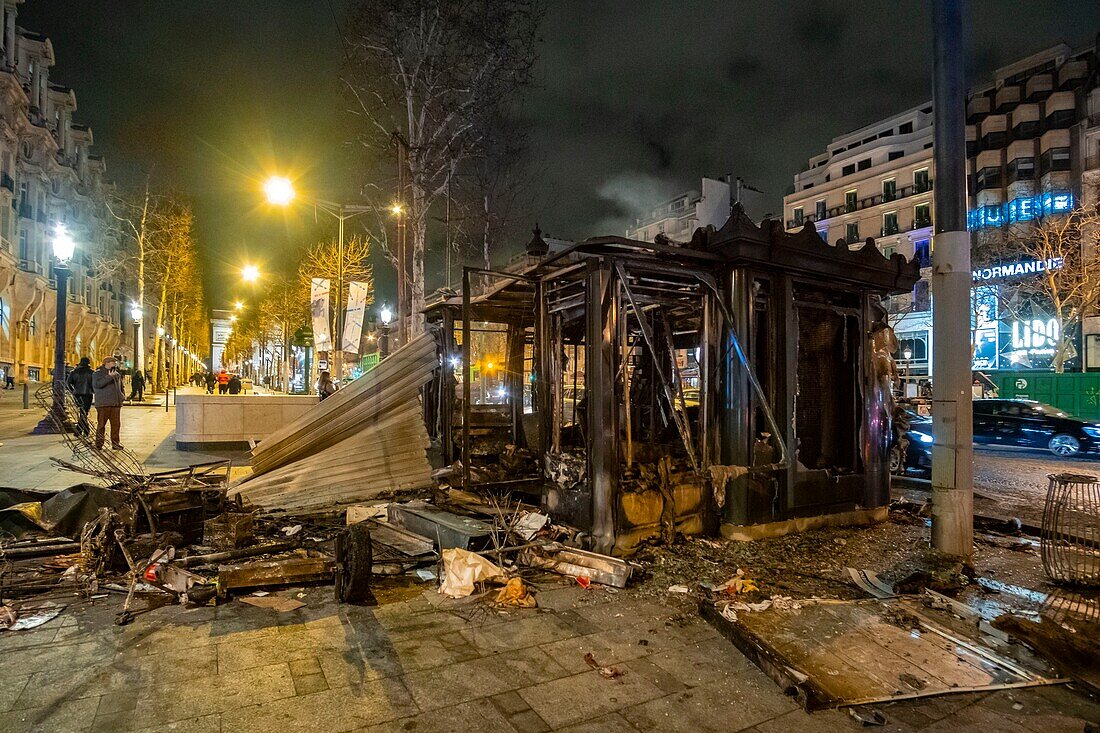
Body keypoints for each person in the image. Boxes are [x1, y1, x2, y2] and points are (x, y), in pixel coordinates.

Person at [92, 356, 125, 450]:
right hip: (103, 404)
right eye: (113, 362)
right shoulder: (97, 374)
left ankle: (115, 443)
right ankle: (99, 444)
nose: (114, 364)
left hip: (115, 404)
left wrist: (122, 396)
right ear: (106, 363)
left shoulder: (117, 374)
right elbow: (97, 385)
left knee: (116, 425)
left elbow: (121, 387)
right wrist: (109, 377)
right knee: (101, 425)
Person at [66, 357, 94, 437]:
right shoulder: (91, 372)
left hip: (77, 394)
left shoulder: (74, 372)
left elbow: (68, 384)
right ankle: (83, 430)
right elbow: (94, 385)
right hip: (88, 394)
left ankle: (80, 430)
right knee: (84, 412)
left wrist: (73, 390)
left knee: (82, 412)